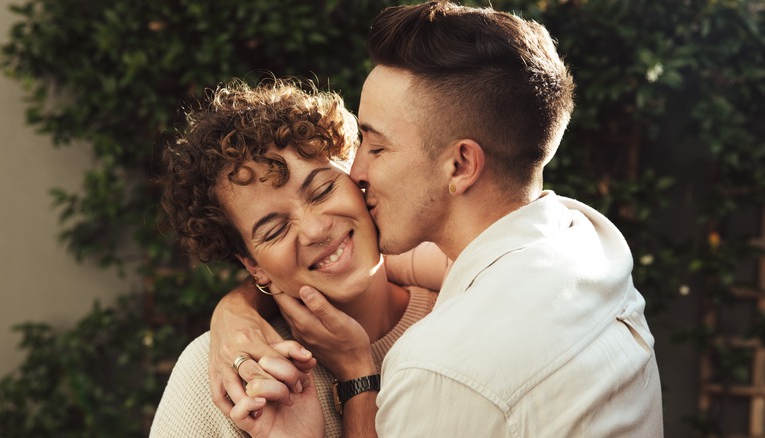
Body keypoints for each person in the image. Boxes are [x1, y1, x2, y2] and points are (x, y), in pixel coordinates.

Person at [210, 1, 664, 436]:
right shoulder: (587, 239)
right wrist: (240, 304)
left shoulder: (440, 369)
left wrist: (356, 374)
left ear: (460, 165)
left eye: (377, 147)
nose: (357, 172)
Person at [151, 79, 450, 437]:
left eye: (322, 191)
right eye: (274, 230)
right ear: (253, 266)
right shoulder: (223, 379)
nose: (315, 231)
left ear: (357, 179)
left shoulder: (466, 308)